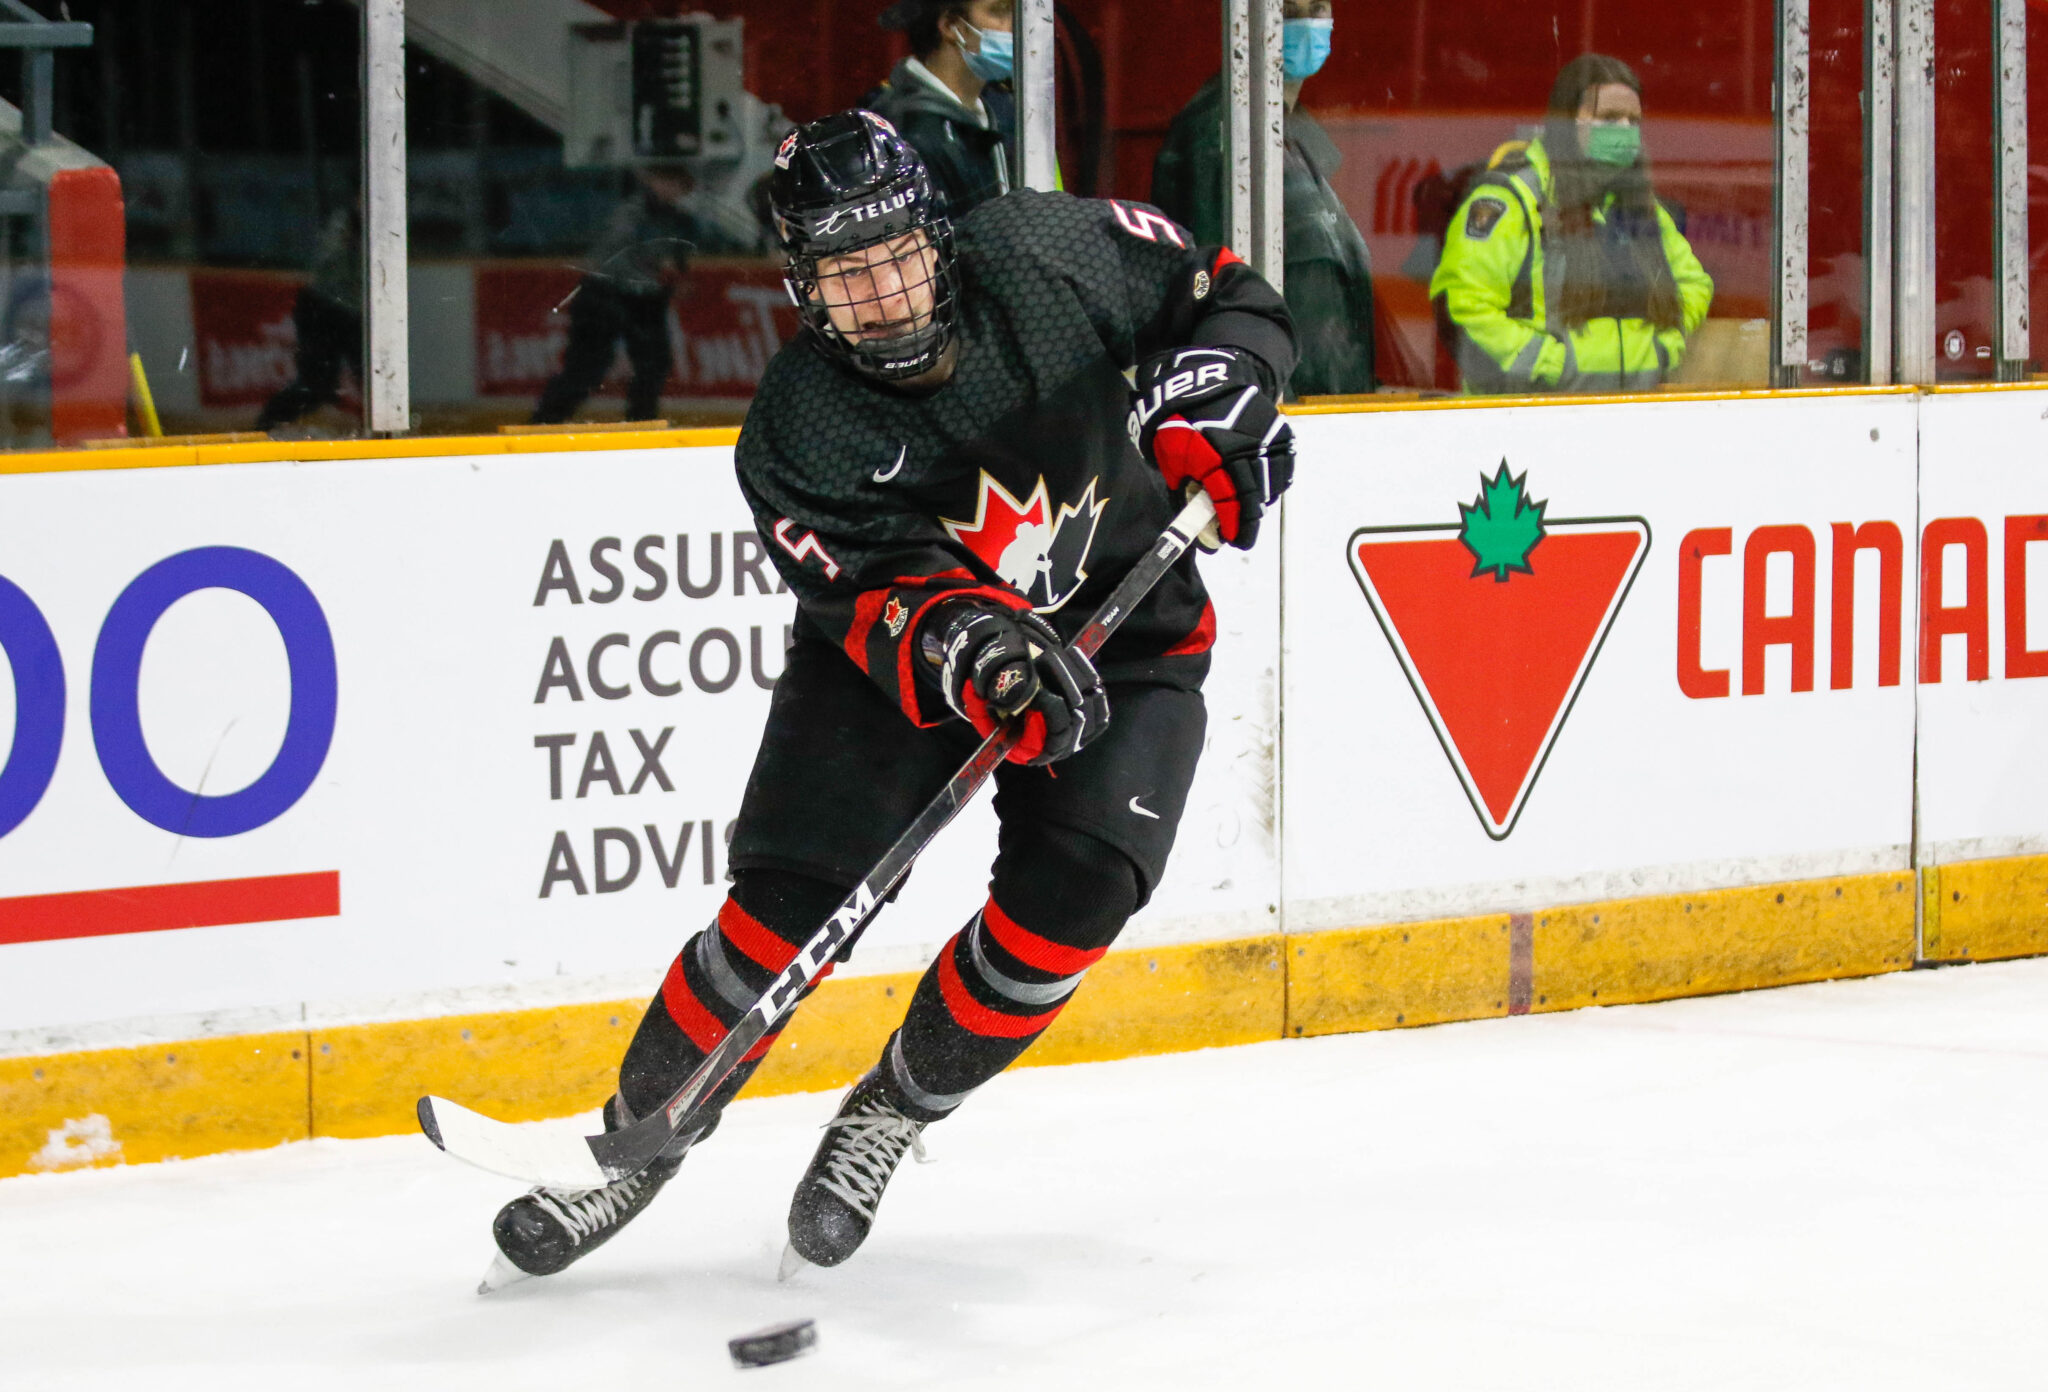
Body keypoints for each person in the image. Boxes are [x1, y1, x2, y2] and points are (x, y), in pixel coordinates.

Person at [483, 110, 1297, 1285]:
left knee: (1074, 900)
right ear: (800, 288)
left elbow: (1227, 294)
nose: (880, 296)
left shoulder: (1043, 252)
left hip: (1126, 634)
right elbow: (880, 601)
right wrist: (981, 653)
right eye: (843, 275)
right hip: (898, 662)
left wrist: (1225, 389)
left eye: (895, 258)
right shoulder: (797, 431)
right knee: (782, 911)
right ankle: (633, 1142)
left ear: (939, 237)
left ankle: (892, 1111)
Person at [1429, 53, 1714, 394]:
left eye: (1633, 120)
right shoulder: (1514, 200)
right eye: (1608, 117)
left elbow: (1694, 284)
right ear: (1566, 121)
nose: (1624, 130)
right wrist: (1553, 366)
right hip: (1531, 420)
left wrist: (1664, 347)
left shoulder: (1637, 204)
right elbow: (1461, 307)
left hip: (1628, 416)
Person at [1150, 0, 1374, 397]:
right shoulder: (1222, 133)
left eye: (1317, 8)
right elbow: (1212, 278)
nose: (1305, 23)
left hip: (1325, 404)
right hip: (1273, 403)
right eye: (1287, 9)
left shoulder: (1292, 135)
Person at [531, 166, 719, 425]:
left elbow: (670, 256)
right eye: (671, 183)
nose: (675, 192)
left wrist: (670, 276)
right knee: (588, 367)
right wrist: (657, 277)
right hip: (607, 295)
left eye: (680, 186)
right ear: (654, 181)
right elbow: (615, 258)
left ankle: (640, 421)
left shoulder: (669, 217)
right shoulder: (633, 212)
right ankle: (546, 420)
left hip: (636, 297)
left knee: (652, 364)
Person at [865, 0, 1017, 219]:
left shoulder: (1000, 112)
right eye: (1000, 11)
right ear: (952, 27)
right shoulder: (903, 134)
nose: (1015, 26)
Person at [256, 204, 361, 432]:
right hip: (323, 306)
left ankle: (387, 430)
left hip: (353, 311)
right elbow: (325, 260)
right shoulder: (343, 221)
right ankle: (265, 425)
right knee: (318, 384)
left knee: (374, 379)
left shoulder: (379, 223)